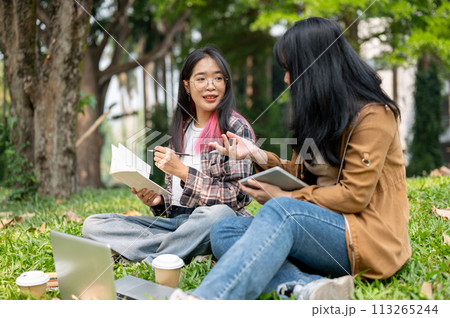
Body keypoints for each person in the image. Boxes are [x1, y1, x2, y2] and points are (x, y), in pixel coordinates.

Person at [171, 17, 411, 300]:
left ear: (316, 66)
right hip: (319, 232)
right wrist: (257, 154)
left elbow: (354, 196)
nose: (286, 78)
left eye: (290, 69)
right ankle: (305, 286)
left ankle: (204, 300)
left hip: (366, 238)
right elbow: (298, 174)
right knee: (225, 231)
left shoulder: (373, 115)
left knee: (282, 210)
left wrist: (280, 199)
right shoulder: (319, 114)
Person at [82, 47, 255, 265]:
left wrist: (183, 172)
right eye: (201, 79)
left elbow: (237, 197)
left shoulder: (235, 127)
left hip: (213, 223)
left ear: (226, 83)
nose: (211, 86)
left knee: (219, 215)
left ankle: (150, 257)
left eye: (218, 78)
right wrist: (157, 201)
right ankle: (179, 249)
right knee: (93, 224)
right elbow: (173, 210)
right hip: (178, 227)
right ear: (187, 85)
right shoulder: (181, 131)